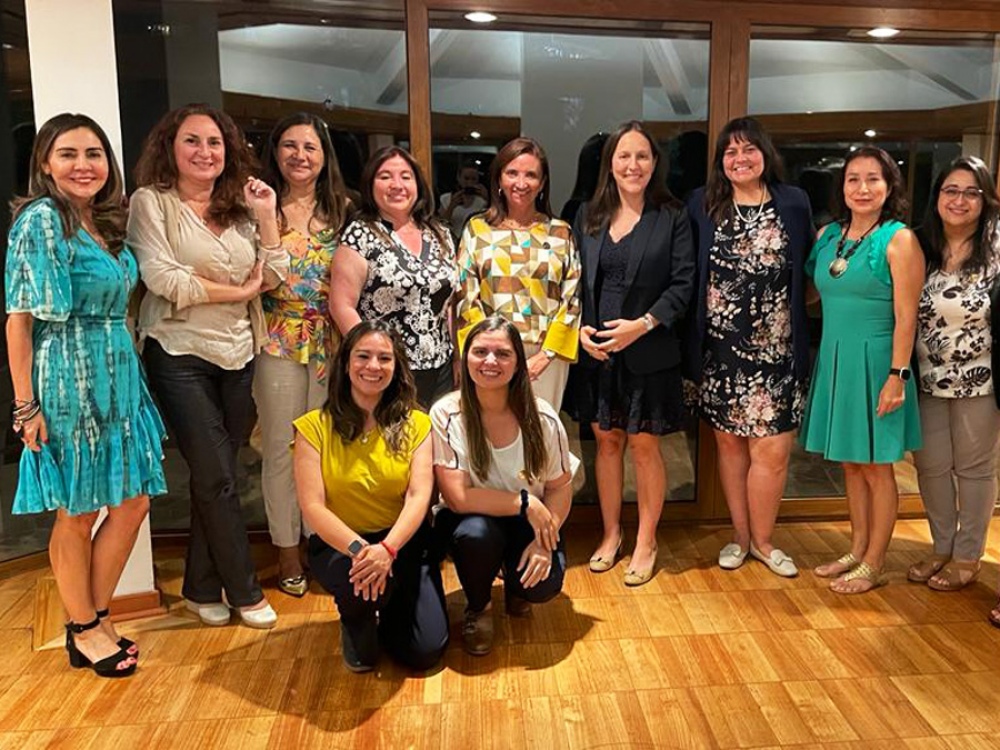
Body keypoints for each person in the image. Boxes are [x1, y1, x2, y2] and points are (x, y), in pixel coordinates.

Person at [5, 113, 167, 676]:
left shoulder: (102, 221)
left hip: (117, 373)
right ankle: (84, 627)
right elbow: (19, 320)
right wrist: (25, 405)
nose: (83, 165)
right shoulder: (41, 220)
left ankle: (93, 616)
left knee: (132, 503)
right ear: (45, 164)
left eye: (93, 153)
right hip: (66, 377)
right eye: (68, 154)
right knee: (78, 510)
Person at [128, 104, 287, 628]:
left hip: (238, 352)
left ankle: (200, 587)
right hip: (178, 353)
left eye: (214, 142)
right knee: (218, 474)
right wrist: (239, 291)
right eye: (192, 141)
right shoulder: (151, 203)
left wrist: (267, 216)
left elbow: (275, 274)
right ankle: (244, 590)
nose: (205, 152)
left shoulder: (239, 205)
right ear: (170, 147)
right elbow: (163, 279)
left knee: (214, 474)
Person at [685, 117, 814, 577]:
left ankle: (764, 541)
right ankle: (741, 538)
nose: (740, 159)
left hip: (777, 350)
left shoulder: (793, 202)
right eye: (730, 152)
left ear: (765, 154)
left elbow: (809, 270)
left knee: (772, 452)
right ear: (720, 161)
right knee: (730, 446)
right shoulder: (702, 204)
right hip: (719, 351)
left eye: (749, 149)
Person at [569, 120, 695, 586]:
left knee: (644, 446)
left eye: (642, 155)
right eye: (623, 155)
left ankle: (646, 540)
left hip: (649, 350)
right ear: (610, 164)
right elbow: (573, 281)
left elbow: (683, 284)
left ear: (655, 163)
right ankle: (610, 533)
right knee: (606, 443)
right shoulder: (588, 214)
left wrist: (640, 326)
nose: (633, 164)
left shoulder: (672, 215)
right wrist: (580, 329)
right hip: (599, 353)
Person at [801, 146, 924, 594]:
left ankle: (874, 562)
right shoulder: (828, 236)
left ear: (890, 186)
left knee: (877, 466)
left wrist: (897, 376)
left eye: (874, 179)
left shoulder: (899, 239)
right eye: (853, 179)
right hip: (835, 357)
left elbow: (907, 316)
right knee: (851, 464)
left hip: (878, 363)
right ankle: (856, 549)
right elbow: (811, 294)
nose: (863, 188)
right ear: (842, 186)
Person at [293, 321, 448, 672]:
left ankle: (391, 604)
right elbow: (313, 506)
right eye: (363, 356)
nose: (373, 366)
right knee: (360, 595)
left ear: (397, 367)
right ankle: (357, 619)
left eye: (384, 358)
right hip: (343, 546)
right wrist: (363, 552)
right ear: (346, 363)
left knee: (424, 652)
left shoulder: (418, 424)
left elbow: (419, 495)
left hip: (402, 541)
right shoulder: (312, 427)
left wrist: (388, 550)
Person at [432, 316, 576, 656]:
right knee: (476, 536)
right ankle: (479, 606)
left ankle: (516, 584)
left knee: (543, 585)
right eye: (480, 352)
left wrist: (544, 541)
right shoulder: (446, 414)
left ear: (518, 363)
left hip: (527, 521)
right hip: (470, 519)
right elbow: (458, 498)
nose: (490, 361)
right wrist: (525, 502)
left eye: (503, 354)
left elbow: (560, 487)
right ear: (465, 358)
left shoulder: (543, 418)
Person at [255, 113, 351, 597]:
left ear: (324, 156)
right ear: (275, 152)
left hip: (332, 342)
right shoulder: (257, 206)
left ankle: (321, 542)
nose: (300, 155)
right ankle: (286, 548)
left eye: (310, 147)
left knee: (324, 448)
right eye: (289, 145)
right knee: (280, 447)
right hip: (277, 338)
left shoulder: (344, 211)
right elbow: (258, 277)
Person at [909, 156, 1000, 595]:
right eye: (951, 190)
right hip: (927, 377)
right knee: (930, 467)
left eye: (970, 192)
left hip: (981, 380)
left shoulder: (996, 248)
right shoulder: (921, 245)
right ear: (937, 197)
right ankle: (941, 547)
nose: (959, 200)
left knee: (975, 469)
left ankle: (967, 556)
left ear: (984, 201)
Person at [456, 137, 581, 410]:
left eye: (531, 175)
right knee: (490, 429)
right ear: (499, 179)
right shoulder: (477, 229)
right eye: (512, 173)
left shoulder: (560, 232)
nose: (521, 183)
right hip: (490, 353)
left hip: (545, 356)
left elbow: (572, 299)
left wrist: (547, 354)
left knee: (540, 430)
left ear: (543, 183)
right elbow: (465, 295)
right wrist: (485, 349)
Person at [329, 146, 457, 407]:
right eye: (385, 176)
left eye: (405, 176)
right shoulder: (360, 234)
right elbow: (341, 306)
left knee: (434, 432)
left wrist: (457, 356)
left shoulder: (440, 233)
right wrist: (372, 359)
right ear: (370, 185)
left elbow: (450, 301)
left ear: (418, 185)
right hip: (385, 370)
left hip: (440, 365)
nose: (397, 185)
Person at [439, 159, 487, 239]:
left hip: (473, 240)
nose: (469, 182)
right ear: (459, 178)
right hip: (451, 240)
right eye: (466, 178)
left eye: (473, 179)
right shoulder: (445, 199)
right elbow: (440, 225)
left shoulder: (481, 202)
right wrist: (451, 206)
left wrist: (488, 200)